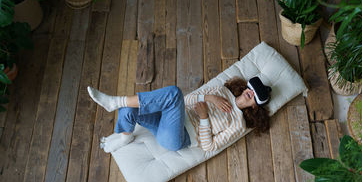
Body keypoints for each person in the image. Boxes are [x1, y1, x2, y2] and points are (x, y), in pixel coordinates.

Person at [87, 76, 271, 152]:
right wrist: (209, 97)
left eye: (256, 96)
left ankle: (114, 102)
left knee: (174, 93)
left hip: (179, 136)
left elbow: (209, 146)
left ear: (255, 107)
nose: (251, 92)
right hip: (165, 118)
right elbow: (185, 101)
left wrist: (205, 117)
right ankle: (126, 136)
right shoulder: (220, 91)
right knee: (128, 110)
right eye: (252, 88)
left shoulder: (238, 124)